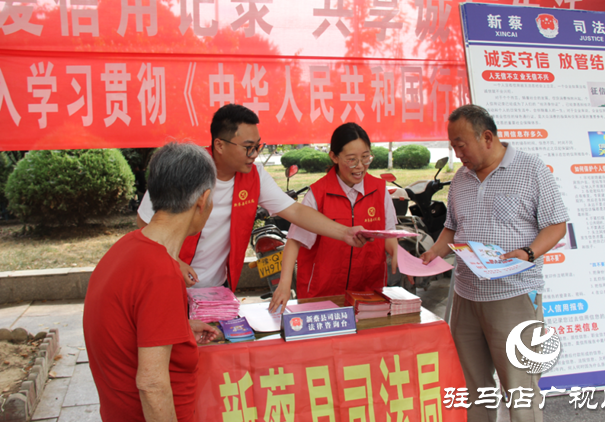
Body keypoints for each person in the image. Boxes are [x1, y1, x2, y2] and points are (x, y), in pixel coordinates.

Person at [420, 105, 568, 422]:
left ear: (487, 137)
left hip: (513, 296)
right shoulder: (460, 179)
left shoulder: (531, 170)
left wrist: (528, 253)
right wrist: (433, 252)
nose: (457, 153)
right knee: (474, 391)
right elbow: (452, 227)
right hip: (466, 297)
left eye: (461, 145)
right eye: (453, 146)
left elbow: (557, 225)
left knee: (520, 390)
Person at [137, 104, 367, 291]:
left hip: (218, 287)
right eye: (248, 147)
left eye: (258, 146)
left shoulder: (254, 176)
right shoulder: (186, 168)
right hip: (170, 282)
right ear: (219, 145)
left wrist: (344, 232)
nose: (255, 154)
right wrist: (174, 263)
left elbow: (294, 211)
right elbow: (145, 223)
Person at [84, 143, 222, 422]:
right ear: (202, 199)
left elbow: (127, 326)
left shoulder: (126, 248)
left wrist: (179, 329)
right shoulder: (160, 272)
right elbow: (151, 384)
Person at [269, 123, 398, 313]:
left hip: (368, 292)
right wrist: (285, 284)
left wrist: (397, 254)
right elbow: (295, 241)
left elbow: (388, 235)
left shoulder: (379, 190)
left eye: (365, 157)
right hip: (323, 293)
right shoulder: (318, 194)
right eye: (352, 160)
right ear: (334, 157)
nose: (360, 166)